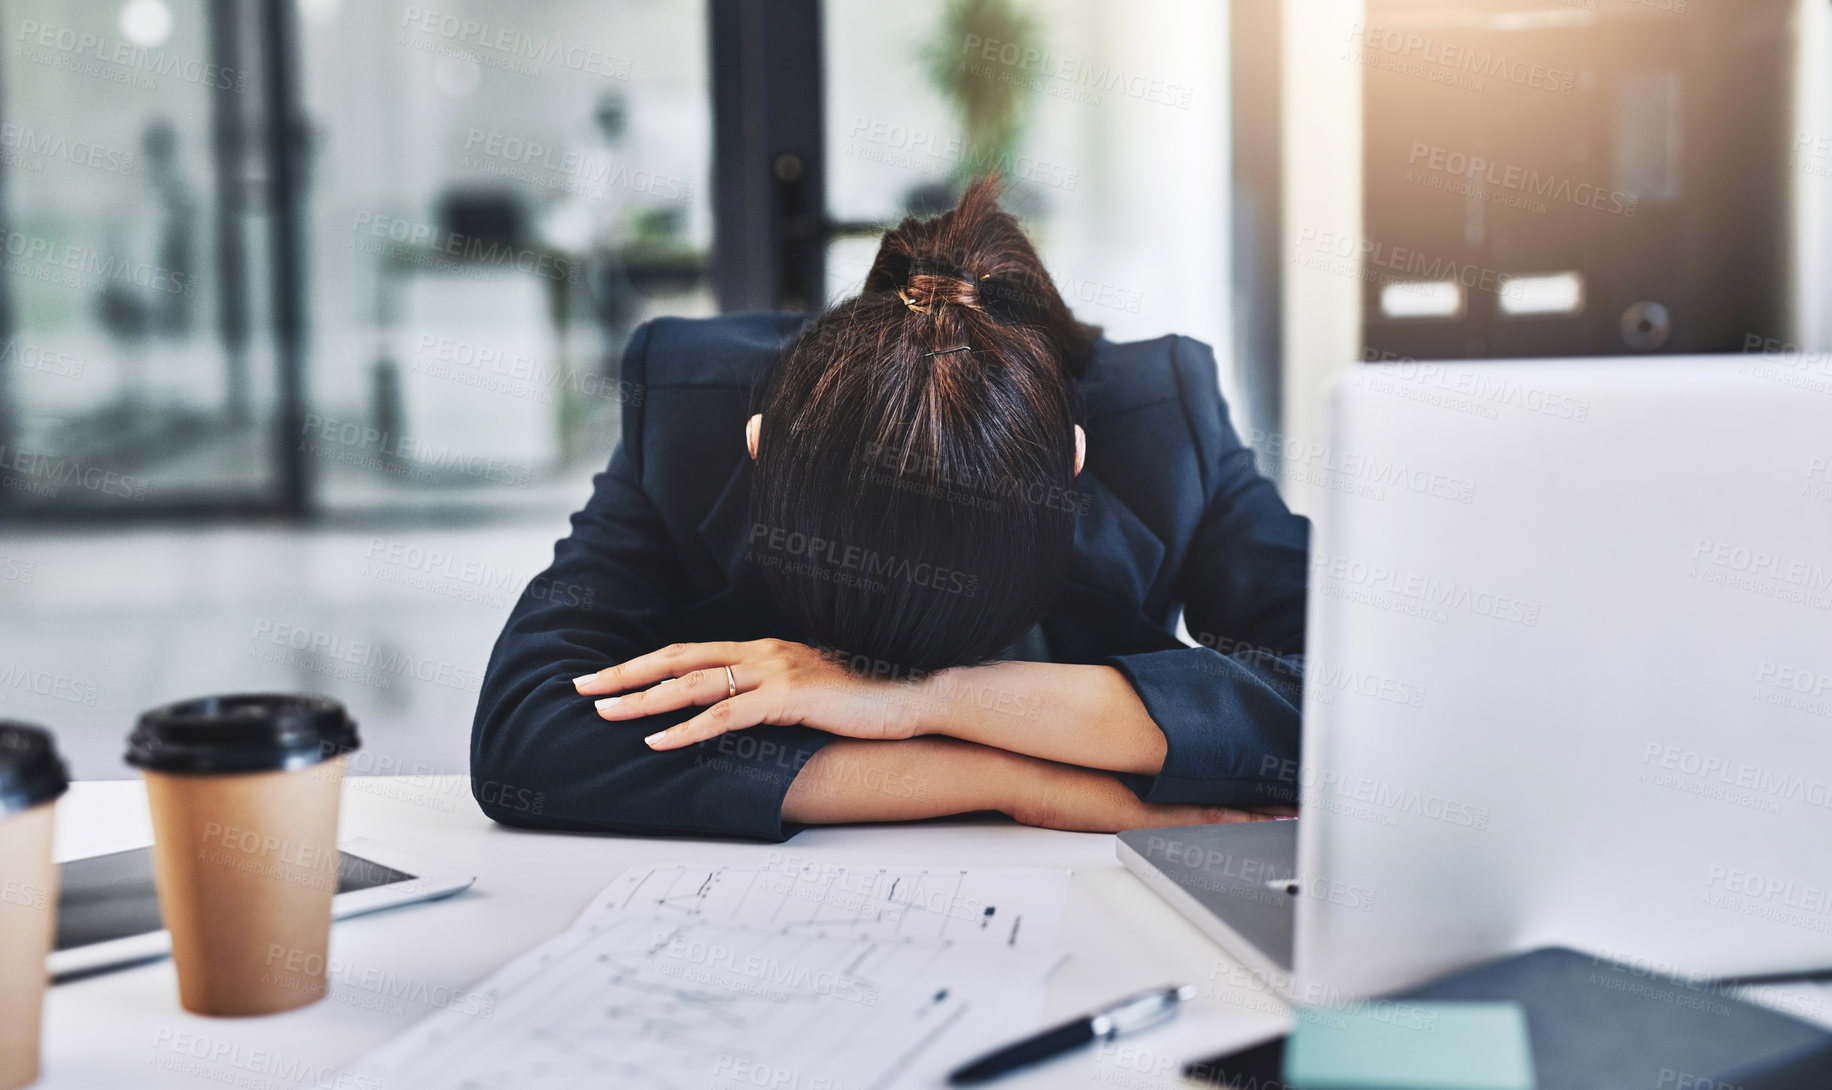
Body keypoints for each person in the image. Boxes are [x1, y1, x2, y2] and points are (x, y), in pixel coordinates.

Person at [472, 178, 1309, 841]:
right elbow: (529, 732)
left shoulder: (1164, 419)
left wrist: (932, 701)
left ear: (1073, 468)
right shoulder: (688, 409)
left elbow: (1363, 706)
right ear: (761, 448)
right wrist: (1011, 781)